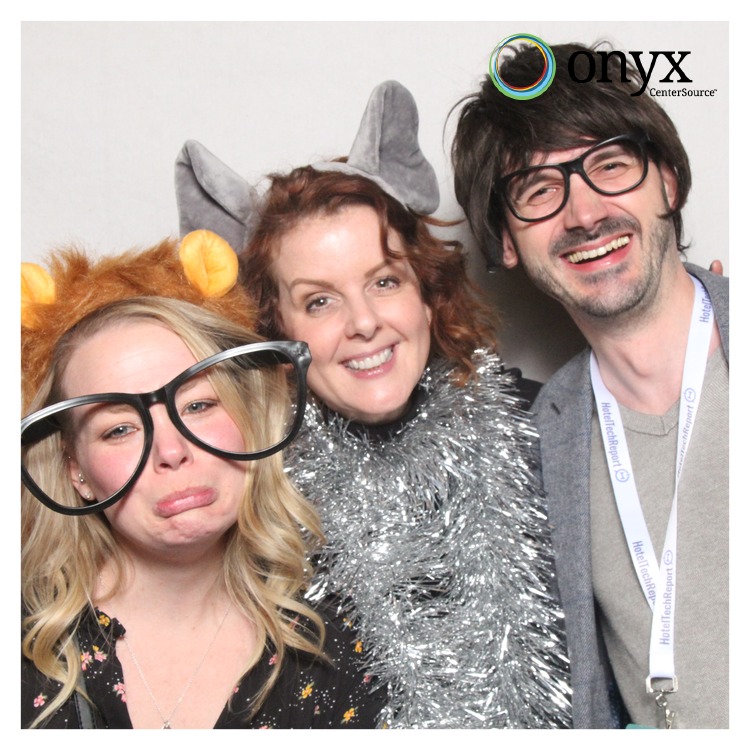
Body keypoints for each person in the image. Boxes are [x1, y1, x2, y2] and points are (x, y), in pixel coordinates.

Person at [174, 80, 572, 728]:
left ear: (427, 294)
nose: (363, 323)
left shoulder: (547, 427)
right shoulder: (250, 497)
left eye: (384, 281)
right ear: (277, 331)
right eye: (319, 301)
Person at [451, 41, 728, 729]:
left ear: (668, 182)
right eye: (539, 191)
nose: (582, 214)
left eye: (609, 165)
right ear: (506, 240)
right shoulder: (536, 450)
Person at [21, 230, 387, 729]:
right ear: (76, 472)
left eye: (197, 405)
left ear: (247, 416)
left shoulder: (351, 639)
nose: (172, 452)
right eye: (120, 429)